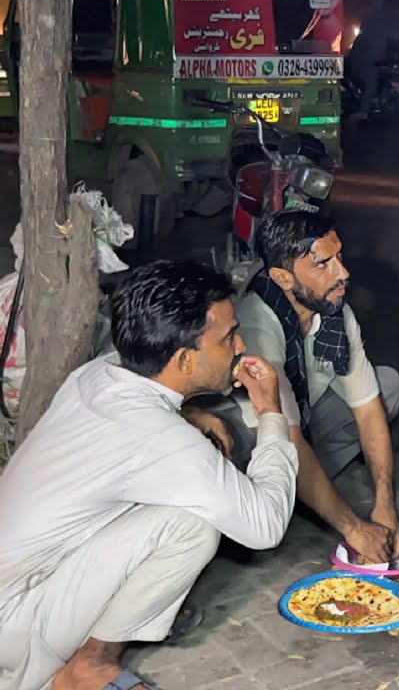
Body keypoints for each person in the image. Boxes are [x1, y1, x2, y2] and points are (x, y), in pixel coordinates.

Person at [0, 261, 297, 690]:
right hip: (14, 624)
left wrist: (190, 412)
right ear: (184, 359)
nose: (240, 346)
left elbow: (148, 413)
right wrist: (271, 411)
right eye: (228, 337)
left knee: (170, 501)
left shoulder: (98, 374)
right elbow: (265, 527)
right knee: (193, 527)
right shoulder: (163, 442)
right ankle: (85, 670)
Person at [198, 211, 399, 565]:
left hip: (304, 416)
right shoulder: (257, 324)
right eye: (323, 264)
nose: (343, 273)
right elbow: (287, 435)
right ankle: (278, 495)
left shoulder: (332, 310)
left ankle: (304, 491)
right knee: (225, 446)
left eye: (339, 257)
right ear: (283, 277)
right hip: (262, 432)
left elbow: (368, 407)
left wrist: (385, 506)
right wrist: (354, 528)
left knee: (388, 387)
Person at [347, 0, 399, 119]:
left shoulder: (379, 17)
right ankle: (363, 112)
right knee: (371, 82)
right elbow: (395, 35)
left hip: (370, 59)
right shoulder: (379, 20)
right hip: (363, 61)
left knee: (383, 75)